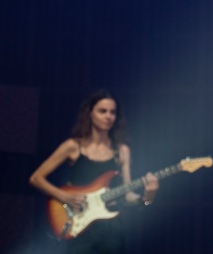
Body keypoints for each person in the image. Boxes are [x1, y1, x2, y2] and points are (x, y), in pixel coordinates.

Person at [29, 89, 159, 254]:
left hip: (111, 228)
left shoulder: (122, 151)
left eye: (113, 112)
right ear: (90, 113)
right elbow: (36, 178)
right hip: (79, 224)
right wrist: (64, 196)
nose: (108, 116)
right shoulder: (73, 146)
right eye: (102, 111)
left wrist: (148, 197)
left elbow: (128, 195)